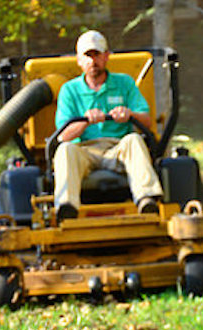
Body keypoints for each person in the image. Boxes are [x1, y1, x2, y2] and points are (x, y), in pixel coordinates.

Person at [53, 30, 164, 222]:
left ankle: (147, 198)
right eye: (88, 56)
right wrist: (85, 121)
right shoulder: (69, 90)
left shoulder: (125, 83)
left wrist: (129, 115)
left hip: (118, 148)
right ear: (79, 60)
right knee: (64, 150)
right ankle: (67, 207)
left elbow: (147, 121)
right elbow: (63, 135)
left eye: (97, 54)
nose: (93, 61)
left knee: (135, 139)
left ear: (106, 56)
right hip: (84, 151)